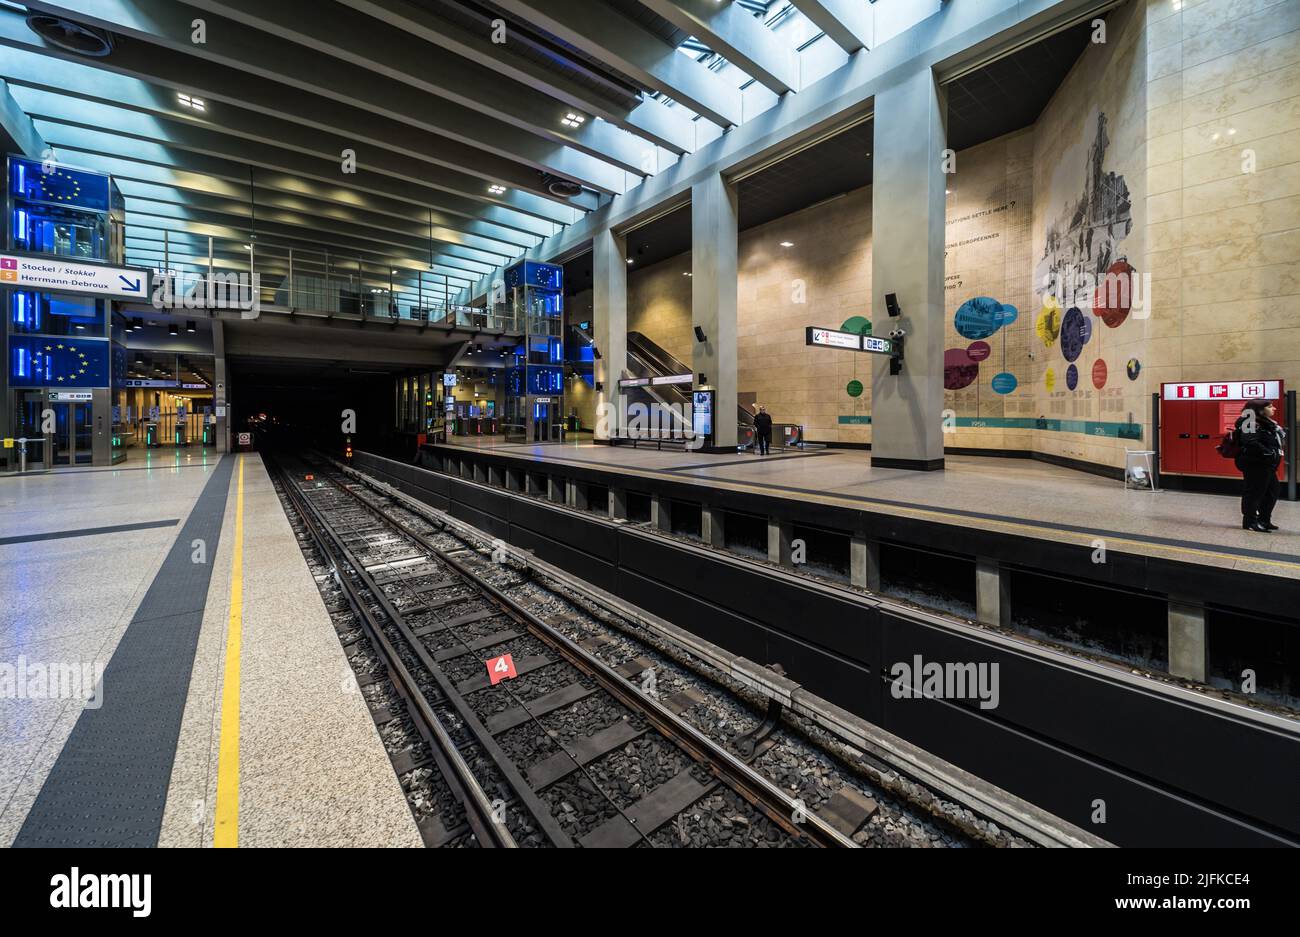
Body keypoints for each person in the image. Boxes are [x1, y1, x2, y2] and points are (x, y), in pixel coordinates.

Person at [1234, 399, 1285, 533]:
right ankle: (1250, 522)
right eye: (1269, 406)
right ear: (1259, 410)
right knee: (1254, 493)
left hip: (1266, 464)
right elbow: (1249, 441)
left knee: (1272, 491)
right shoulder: (1248, 422)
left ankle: (1264, 520)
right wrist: (1269, 453)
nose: (1274, 408)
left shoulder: (1267, 423)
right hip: (1255, 463)